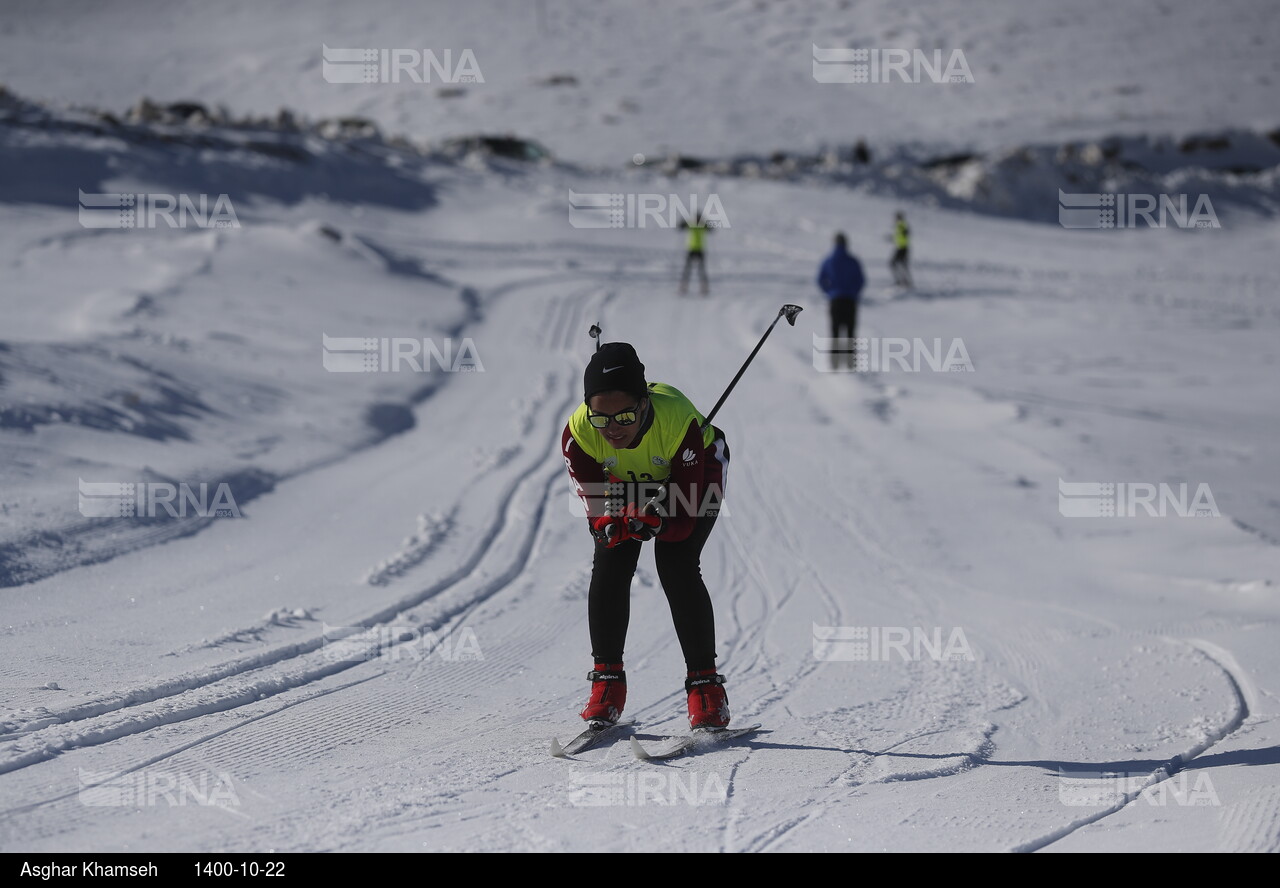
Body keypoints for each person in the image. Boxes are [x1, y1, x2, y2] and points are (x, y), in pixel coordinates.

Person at [561, 341, 731, 729]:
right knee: (611, 557)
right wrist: (612, 524)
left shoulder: (677, 420)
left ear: (644, 404)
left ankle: (705, 687)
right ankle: (607, 683)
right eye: (600, 418)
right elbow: (597, 510)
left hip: (694, 468)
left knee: (676, 561)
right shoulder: (579, 434)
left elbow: (683, 521)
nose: (612, 430)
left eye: (623, 416)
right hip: (628, 480)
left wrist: (654, 519)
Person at [816, 232, 865, 370]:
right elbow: (861, 280)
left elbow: (820, 279)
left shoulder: (829, 260)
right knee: (850, 332)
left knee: (835, 332)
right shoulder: (853, 261)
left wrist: (829, 292)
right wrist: (854, 292)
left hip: (835, 300)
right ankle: (850, 364)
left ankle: (834, 364)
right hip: (850, 300)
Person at [677, 216, 710, 296]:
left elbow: (710, 229)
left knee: (699, 270)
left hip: (698, 249)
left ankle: (703, 288)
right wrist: (682, 223)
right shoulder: (693, 225)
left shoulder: (699, 225)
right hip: (692, 249)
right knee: (689, 270)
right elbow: (680, 227)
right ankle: (684, 287)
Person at [890, 211, 912, 288]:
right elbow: (900, 236)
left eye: (896, 217)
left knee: (895, 264)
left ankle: (903, 281)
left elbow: (906, 233)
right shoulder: (899, 225)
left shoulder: (902, 225)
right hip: (900, 247)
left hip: (903, 248)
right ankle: (904, 281)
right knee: (900, 265)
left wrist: (905, 233)